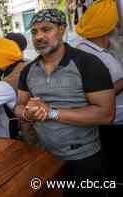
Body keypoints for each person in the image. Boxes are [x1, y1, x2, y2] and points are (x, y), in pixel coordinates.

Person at [14, 9, 114, 197]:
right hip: (45, 156)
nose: (39, 36)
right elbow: (19, 106)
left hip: (83, 159)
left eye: (46, 29)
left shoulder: (88, 64)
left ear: (61, 29)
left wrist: (51, 112)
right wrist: (28, 112)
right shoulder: (28, 70)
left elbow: (106, 114)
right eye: (34, 32)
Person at [76, 0, 123, 193]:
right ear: (108, 30)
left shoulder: (87, 48)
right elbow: (96, 95)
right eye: (116, 26)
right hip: (113, 124)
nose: (118, 29)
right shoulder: (92, 57)